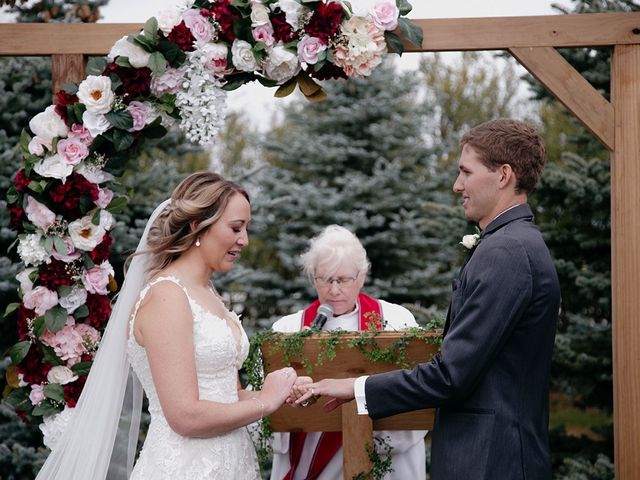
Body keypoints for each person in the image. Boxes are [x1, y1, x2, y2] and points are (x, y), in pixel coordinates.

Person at [296, 119, 561, 480]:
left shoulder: (508, 251)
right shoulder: (513, 243)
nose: (457, 186)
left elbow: (452, 375)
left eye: (466, 172)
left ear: (503, 175)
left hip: (491, 460)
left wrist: (355, 386)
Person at [36, 172, 298, 480]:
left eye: (246, 229)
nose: (244, 240)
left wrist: (280, 392)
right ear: (197, 226)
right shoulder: (167, 297)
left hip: (232, 464)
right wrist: (266, 403)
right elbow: (184, 416)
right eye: (236, 228)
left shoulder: (207, 293)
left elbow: (227, 396)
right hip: (185, 468)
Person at [270, 225, 427, 480]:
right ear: (313, 277)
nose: (334, 290)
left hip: (381, 454)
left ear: (361, 276)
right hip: (311, 455)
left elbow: (415, 386)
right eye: (325, 279)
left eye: (342, 280)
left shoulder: (396, 320)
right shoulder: (287, 329)